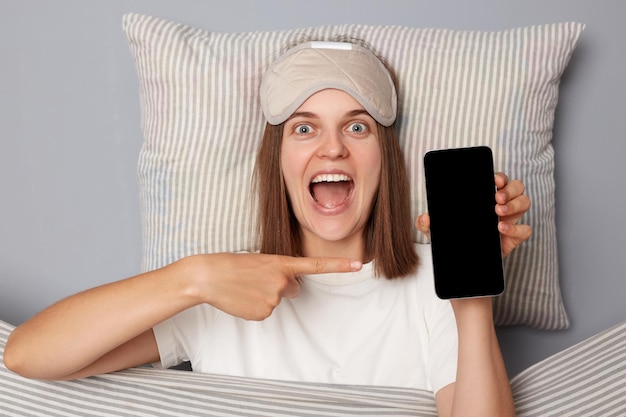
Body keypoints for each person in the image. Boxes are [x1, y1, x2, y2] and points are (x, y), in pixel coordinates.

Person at [4, 40, 531, 417]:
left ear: (384, 162)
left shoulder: (433, 284)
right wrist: (195, 277)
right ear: (277, 161)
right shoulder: (220, 289)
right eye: (305, 128)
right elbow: (29, 355)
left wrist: (473, 292)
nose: (332, 148)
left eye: (356, 126)